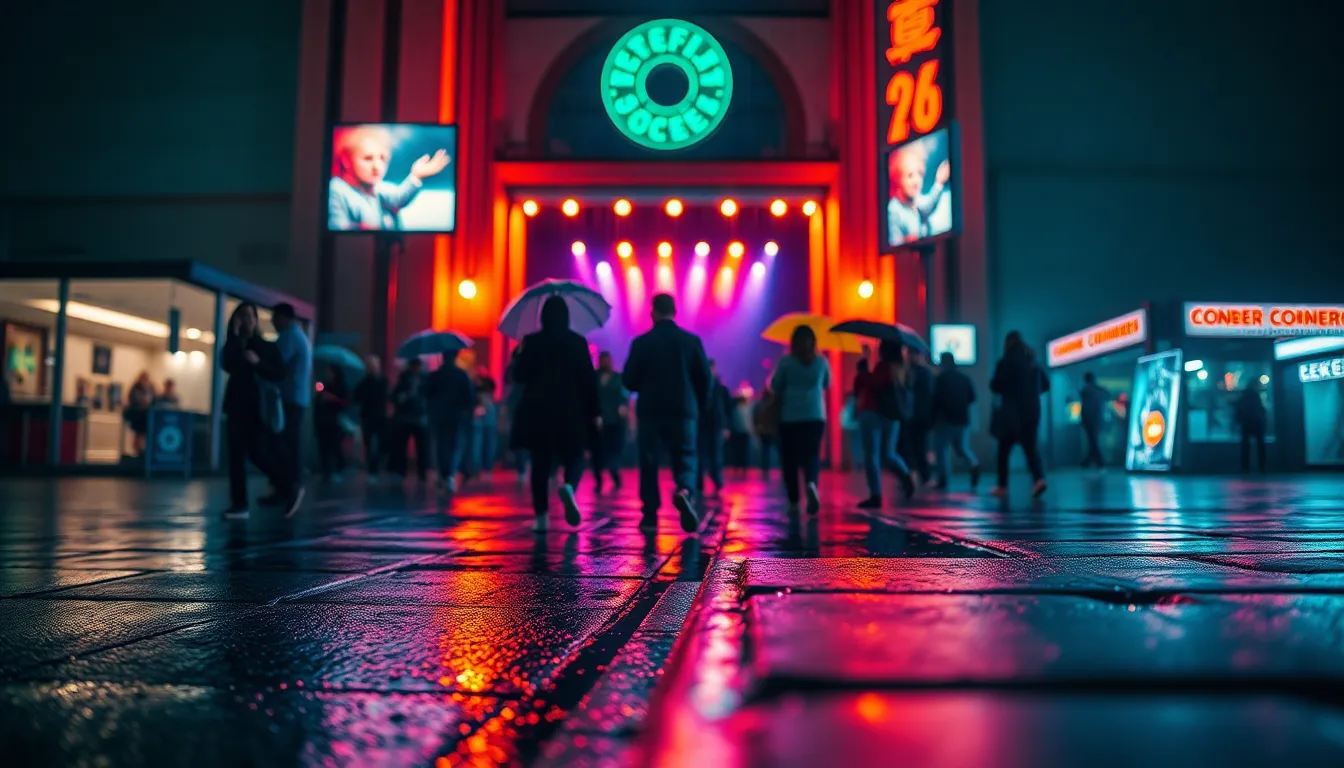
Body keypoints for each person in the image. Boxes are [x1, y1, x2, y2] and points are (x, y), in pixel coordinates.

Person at [623, 293, 710, 533]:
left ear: (652, 313)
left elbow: (628, 380)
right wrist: (700, 407)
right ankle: (684, 491)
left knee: (649, 462)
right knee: (686, 457)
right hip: (683, 411)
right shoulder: (691, 341)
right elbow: (705, 379)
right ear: (675, 312)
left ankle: (650, 516)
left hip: (650, 412)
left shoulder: (641, 343)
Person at [510, 296, 599, 530]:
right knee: (575, 455)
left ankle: (541, 517)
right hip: (571, 411)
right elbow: (589, 379)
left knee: (540, 462)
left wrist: (519, 353)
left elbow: (518, 376)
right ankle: (569, 485)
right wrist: (595, 411)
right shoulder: (577, 342)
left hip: (538, 412)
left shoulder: (532, 341)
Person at [220, 302, 300, 518]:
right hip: (235, 407)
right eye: (242, 316)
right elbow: (228, 364)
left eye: (250, 316)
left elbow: (279, 372)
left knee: (258, 454)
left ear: (256, 320)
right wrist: (235, 335)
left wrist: (257, 363)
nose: (246, 320)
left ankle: (287, 486)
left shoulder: (264, 346)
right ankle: (240, 504)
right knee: (236, 456)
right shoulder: (233, 343)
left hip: (256, 409)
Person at [328, 124, 452, 231]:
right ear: (346, 160)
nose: (377, 166)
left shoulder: (378, 187)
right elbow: (338, 226)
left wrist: (417, 175)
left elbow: (399, 197)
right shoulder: (337, 189)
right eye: (368, 158)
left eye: (383, 158)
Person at [769, 326, 832, 514]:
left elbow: (775, 386)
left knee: (790, 459)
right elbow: (827, 383)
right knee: (811, 455)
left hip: (790, 417)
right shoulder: (822, 362)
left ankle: (794, 502)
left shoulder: (786, 362)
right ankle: (811, 483)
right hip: (815, 415)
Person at [855, 340, 917, 508]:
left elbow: (873, 383)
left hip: (873, 412)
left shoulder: (885, 366)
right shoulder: (903, 368)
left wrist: (863, 370)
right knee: (889, 453)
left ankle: (875, 494)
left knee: (871, 455)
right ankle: (905, 475)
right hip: (892, 414)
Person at [989, 331, 1050, 498]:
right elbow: (1046, 385)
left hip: (1011, 413)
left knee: (1003, 451)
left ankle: (1002, 486)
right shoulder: (1033, 362)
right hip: (1031, 412)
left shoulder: (1005, 362)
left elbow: (995, 386)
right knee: (1031, 449)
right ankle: (1039, 480)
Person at [265, 303, 311, 506]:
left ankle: (288, 486)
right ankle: (289, 485)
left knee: (283, 443)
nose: (272, 322)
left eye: (275, 318)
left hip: (289, 398)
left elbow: (276, 363)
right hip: (296, 398)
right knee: (288, 443)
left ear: (284, 317)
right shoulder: (299, 335)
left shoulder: (289, 336)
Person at [427, 350, 476, 493]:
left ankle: (443, 473)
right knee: (454, 444)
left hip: (439, 415)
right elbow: (469, 397)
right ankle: (449, 474)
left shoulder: (435, 375)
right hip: (456, 416)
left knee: (441, 444)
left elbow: (428, 394)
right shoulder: (461, 375)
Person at [931, 351, 980, 489]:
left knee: (941, 450)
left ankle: (943, 479)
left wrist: (932, 420)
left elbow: (935, 400)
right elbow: (972, 398)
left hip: (945, 419)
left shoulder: (940, 379)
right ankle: (974, 463)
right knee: (963, 448)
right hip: (962, 419)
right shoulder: (964, 378)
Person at [592, 351, 629, 493]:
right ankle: (599, 479)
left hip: (614, 421)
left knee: (613, 451)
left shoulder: (617, 378)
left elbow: (623, 396)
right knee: (598, 452)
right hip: (597, 419)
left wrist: (622, 406)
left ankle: (614, 474)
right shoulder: (594, 378)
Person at [388, 358, 430, 483]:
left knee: (422, 447)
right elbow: (395, 396)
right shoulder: (404, 378)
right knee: (401, 446)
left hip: (419, 417)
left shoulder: (425, 379)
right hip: (405, 418)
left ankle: (422, 472)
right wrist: (403, 396)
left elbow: (429, 395)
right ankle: (401, 471)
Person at [697, 359, 731, 496]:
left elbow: (728, 408)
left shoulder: (719, 388)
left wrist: (726, 426)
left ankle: (715, 481)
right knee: (704, 455)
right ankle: (704, 483)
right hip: (705, 425)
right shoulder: (713, 387)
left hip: (714, 425)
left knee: (715, 455)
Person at [901, 350, 936, 485]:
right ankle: (924, 476)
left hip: (912, 415)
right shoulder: (926, 373)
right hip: (921, 415)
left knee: (912, 446)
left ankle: (913, 474)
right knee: (920, 446)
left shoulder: (910, 372)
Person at [313, 363, 350, 483]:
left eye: (330, 372)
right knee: (324, 447)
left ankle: (338, 470)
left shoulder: (341, 386)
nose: (327, 374)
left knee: (335, 447)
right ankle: (326, 472)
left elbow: (345, 402)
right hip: (323, 421)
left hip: (335, 422)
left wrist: (331, 398)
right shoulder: (325, 385)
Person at [353, 355, 389, 477]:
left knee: (381, 443)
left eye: (374, 365)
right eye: (370, 365)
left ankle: (377, 466)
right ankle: (372, 469)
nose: (372, 368)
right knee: (369, 444)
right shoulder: (365, 382)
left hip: (380, 417)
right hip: (368, 417)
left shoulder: (383, 381)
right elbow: (355, 396)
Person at [503, 346, 530, 483]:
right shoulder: (529, 366)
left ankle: (521, 467)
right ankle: (524, 465)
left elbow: (507, 381)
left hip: (516, 406)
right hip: (527, 404)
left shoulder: (511, 368)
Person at [467, 368, 499, 479]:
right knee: (486, 443)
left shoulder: (473, 387)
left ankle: (477, 468)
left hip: (478, 418)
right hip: (487, 418)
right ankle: (485, 468)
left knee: (478, 444)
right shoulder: (488, 388)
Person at [1079, 371, 1110, 469]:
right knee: (1093, 441)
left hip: (1089, 420)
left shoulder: (1086, 391)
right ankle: (1091, 461)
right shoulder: (1098, 390)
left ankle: (1096, 461)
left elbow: (1085, 408)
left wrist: (1083, 420)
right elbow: (1107, 395)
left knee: (1092, 441)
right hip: (1097, 419)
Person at [1235, 381, 1268, 473]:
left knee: (1245, 446)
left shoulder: (1243, 397)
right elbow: (1261, 410)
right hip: (1257, 423)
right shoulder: (1256, 396)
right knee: (1260, 445)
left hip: (1246, 423)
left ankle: (1245, 467)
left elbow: (1238, 410)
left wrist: (1238, 421)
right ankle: (1262, 466)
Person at [125, 372, 155, 455]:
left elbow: (154, 400)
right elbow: (134, 400)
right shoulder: (135, 388)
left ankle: (143, 451)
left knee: (144, 435)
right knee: (138, 435)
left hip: (147, 416)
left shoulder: (151, 388)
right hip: (137, 415)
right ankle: (137, 450)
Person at [752, 388, 779, 474]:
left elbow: (756, 419)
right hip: (772, 431)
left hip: (763, 431)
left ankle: (765, 468)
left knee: (765, 451)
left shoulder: (759, 406)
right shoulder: (773, 405)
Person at [726, 392, 752, 473]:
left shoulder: (735, 410)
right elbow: (749, 422)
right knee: (743, 451)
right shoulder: (746, 409)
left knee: (738, 451)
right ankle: (742, 467)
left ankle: (739, 467)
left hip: (738, 433)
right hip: (743, 433)